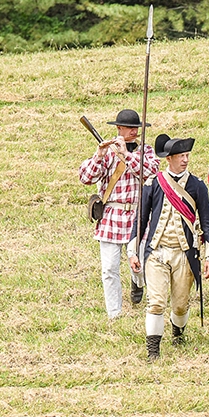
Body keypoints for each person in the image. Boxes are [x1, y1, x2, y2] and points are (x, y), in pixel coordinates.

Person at [132, 133, 209, 359]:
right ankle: (153, 351)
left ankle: (178, 332)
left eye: (187, 155)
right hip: (157, 253)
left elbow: (207, 222)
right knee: (156, 302)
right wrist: (133, 250)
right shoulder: (154, 184)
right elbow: (141, 219)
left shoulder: (197, 186)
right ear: (169, 159)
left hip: (184, 254)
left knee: (180, 305)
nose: (185, 160)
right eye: (180, 156)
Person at [78, 109, 161, 320]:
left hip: (138, 215)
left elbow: (150, 172)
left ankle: (137, 282)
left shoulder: (146, 151)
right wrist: (99, 155)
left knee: (141, 264)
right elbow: (86, 177)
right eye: (129, 128)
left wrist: (127, 155)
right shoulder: (107, 153)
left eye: (136, 128)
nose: (134, 132)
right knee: (109, 270)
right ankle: (114, 314)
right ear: (119, 129)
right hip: (111, 216)